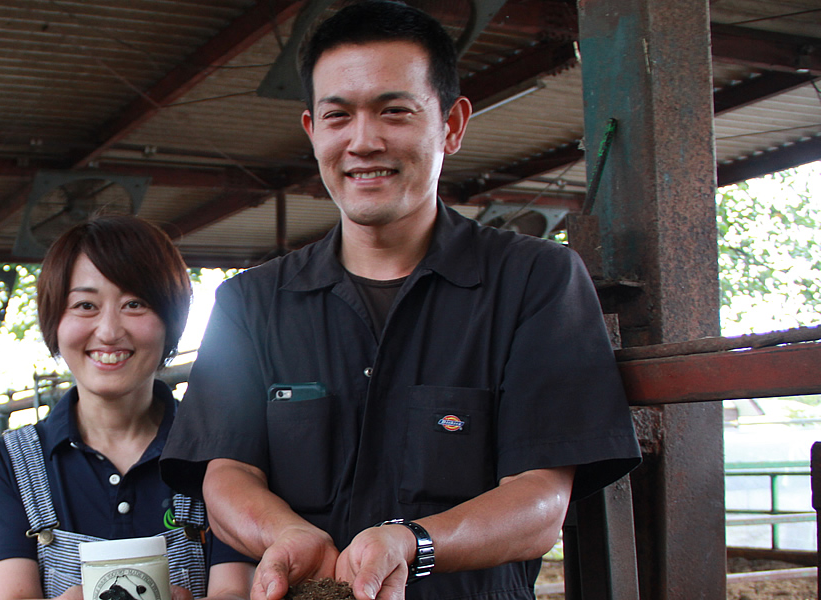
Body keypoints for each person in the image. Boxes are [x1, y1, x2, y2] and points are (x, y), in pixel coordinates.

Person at [158, 2, 641, 600]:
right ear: (313, 133)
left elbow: (541, 498)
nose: (363, 141)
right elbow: (226, 473)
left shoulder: (536, 282)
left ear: (452, 124)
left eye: (394, 111)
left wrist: (412, 543)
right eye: (338, 116)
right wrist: (283, 531)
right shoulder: (250, 303)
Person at [0, 215, 255, 600]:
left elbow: (233, 592)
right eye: (85, 305)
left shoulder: (218, 451)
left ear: (170, 320)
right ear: (54, 320)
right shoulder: (10, 462)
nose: (108, 331)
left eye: (134, 303)